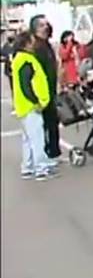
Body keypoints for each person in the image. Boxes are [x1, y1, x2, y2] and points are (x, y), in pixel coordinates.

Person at [12, 32, 58, 181]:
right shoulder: (26, 60)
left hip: (23, 106)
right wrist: (36, 102)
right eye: (32, 41)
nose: (34, 44)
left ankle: (28, 166)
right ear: (26, 44)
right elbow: (26, 85)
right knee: (37, 138)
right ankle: (41, 168)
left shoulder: (19, 59)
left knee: (28, 139)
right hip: (31, 107)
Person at [29, 15, 60, 160]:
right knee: (43, 126)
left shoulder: (47, 45)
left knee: (53, 123)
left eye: (46, 24)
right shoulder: (35, 47)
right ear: (35, 28)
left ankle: (53, 152)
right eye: (42, 25)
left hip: (50, 91)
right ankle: (44, 155)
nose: (46, 27)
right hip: (41, 92)